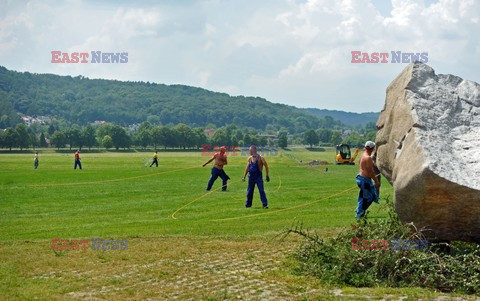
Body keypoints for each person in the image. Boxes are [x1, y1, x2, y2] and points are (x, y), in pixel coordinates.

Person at [355, 141, 380, 218]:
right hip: (364, 180)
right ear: (373, 149)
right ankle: (359, 213)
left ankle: (360, 211)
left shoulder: (363, 155)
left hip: (361, 178)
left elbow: (360, 162)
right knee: (367, 197)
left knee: (366, 196)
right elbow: (370, 171)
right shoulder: (368, 158)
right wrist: (376, 181)